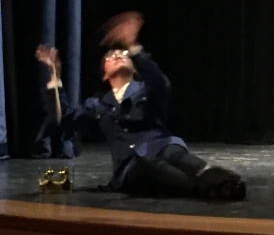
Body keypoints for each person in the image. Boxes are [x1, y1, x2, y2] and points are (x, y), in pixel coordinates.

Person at [35, 11, 247, 200]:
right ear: (104, 75)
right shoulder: (98, 104)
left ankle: (228, 183)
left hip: (163, 145)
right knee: (153, 167)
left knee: (185, 160)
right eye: (110, 56)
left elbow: (161, 83)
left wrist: (133, 46)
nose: (117, 55)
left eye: (123, 55)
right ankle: (205, 189)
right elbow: (63, 118)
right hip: (131, 166)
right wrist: (55, 76)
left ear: (134, 68)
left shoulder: (146, 89)